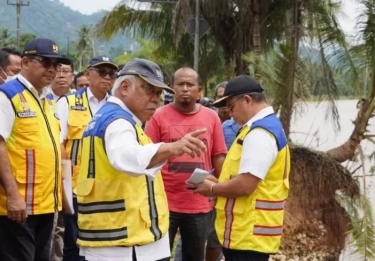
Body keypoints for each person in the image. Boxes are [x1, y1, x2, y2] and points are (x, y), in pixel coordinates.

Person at [75, 58, 207, 261]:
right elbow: (129, 157)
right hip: (123, 242)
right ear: (125, 87)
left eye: (158, 93)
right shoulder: (118, 121)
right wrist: (171, 147)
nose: (156, 98)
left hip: (123, 238)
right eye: (149, 90)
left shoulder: (119, 119)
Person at [193, 75, 290, 261]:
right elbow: (245, 177)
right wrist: (219, 182)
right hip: (249, 234)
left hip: (248, 235)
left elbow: (245, 185)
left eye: (231, 107)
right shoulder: (263, 127)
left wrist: (212, 189)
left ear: (247, 100)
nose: (230, 114)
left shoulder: (260, 133)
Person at [145, 67, 227, 261]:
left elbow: (218, 156)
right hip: (164, 202)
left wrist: (220, 188)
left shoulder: (211, 117)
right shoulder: (158, 116)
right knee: (159, 257)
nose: (185, 88)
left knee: (194, 256)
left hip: (199, 204)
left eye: (190, 84)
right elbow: (147, 155)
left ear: (199, 91)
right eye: (180, 84)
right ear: (172, 89)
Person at [0, 38, 70, 261]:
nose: (52, 70)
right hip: (19, 206)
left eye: (56, 65)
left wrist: (63, 195)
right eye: (46, 63)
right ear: (26, 62)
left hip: (48, 204)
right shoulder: (7, 95)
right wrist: (12, 195)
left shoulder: (48, 99)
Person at [57, 56, 118, 261]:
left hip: (107, 190)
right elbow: (60, 145)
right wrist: (64, 189)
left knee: (102, 244)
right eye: (102, 72)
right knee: (73, 244)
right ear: (88, 74)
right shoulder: (69, 102)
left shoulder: (117, 106)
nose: (107, 78)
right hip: (76, 189)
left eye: (112, 74)